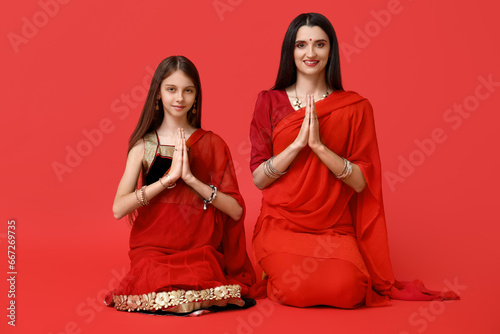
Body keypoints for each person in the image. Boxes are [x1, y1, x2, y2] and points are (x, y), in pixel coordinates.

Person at [249, 13, 459, 308]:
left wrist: (320, 148)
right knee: (293, 290)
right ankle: (273, 272)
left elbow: (361, 182)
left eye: (319, 44)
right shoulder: (268, 102)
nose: (310, 53)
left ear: (331, 51)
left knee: (348, 291)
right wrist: (297, 146)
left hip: (333, 226)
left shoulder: (355, 107)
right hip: (282, 222)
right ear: (290, 51)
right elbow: (259, 178)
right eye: (301, 45)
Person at [105, 56, 259, 315]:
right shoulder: (143, 146)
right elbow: (119, 209)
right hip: (152, 251)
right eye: (171, 89)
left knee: (196, 283)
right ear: (158, 94)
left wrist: (191, 180)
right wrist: (166, 180)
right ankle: (189, 305)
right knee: (156, 280)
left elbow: (235, 211)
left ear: (196, 96)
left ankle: (188, 304)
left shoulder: (213, 144)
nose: (180, 98)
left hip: (199, 251)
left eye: (188, 90)